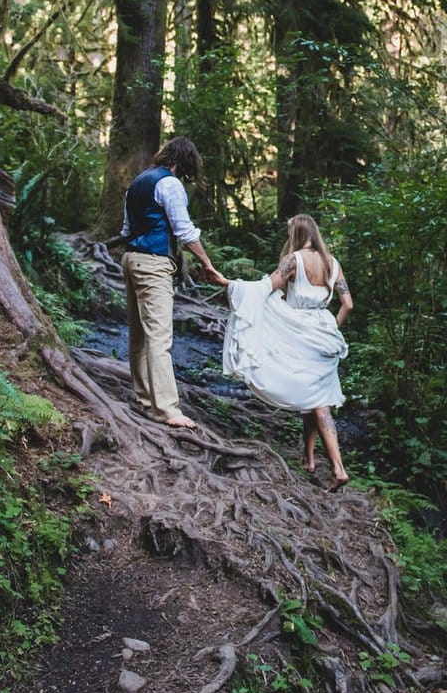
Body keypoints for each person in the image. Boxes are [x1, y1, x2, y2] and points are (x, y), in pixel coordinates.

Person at [221, 214, 356, 491]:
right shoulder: (332, 262)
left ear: (297, 233)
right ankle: (309, 458)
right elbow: (348, 304)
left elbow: (266, 287)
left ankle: (338, 468)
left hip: (300, 332)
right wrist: (331, 327)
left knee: (320, 404)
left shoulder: (293, 260)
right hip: (326, 334)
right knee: (314, 396)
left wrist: (228, 284)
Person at [120, 137, 224, 429]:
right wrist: (207, 262)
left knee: (138, 335)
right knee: (159, 337)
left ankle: (145, 399)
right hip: (154, 263)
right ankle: (167, 410)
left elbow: (126, 229)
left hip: (131, 259)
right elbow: (185, 231)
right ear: (183, 161)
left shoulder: (138, 181)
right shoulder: (170, 184)